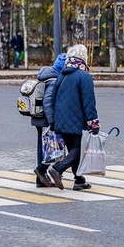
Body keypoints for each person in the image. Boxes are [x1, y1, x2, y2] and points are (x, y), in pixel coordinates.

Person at [46, 44, 99, 191]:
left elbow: (53, 99)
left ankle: (79, 180)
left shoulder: (62, 75)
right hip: (77, 121)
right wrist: (93, 123)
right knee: (80, 149)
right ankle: (57, 169)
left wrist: (54, 121)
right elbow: (88, 102)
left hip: (61, 120)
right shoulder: (84, 76)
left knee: (74, 150)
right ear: (83, 58)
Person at [31, 53, 66, 187]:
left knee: (43, 148)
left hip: (39, 119)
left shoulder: (46, 75)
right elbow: (47, 102)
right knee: (52, 148)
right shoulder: (53, 80)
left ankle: (41, 179)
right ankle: (42, 175)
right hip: (46, 120)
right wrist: (52, 122)